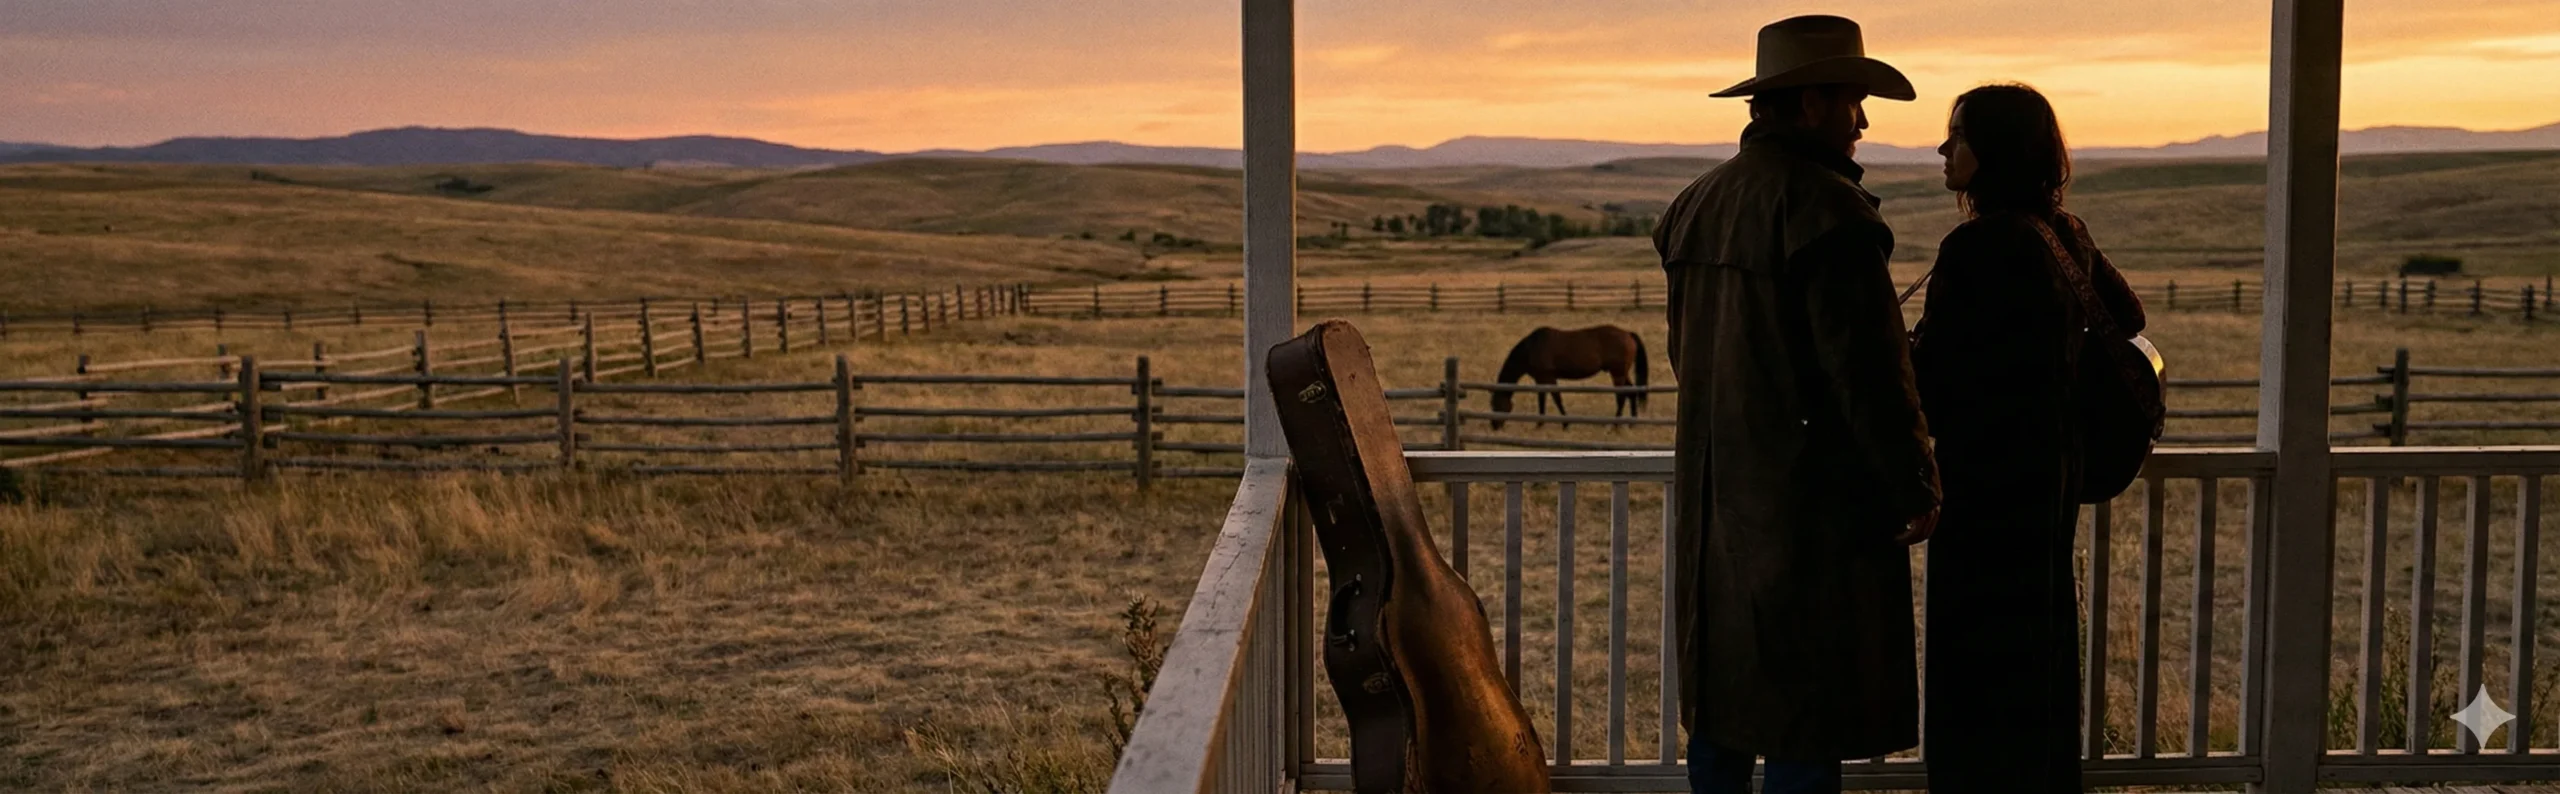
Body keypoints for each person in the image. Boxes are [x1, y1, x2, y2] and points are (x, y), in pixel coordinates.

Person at [1653, 15, 1940, 794]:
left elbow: (1689, 353)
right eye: (1853, 103)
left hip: (1719, 492)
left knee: (1724, 697)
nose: (1864, 122)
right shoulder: (1830, 215)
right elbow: (1870, 374)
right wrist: (1913, 481)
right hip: (1812, 503)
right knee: (1807, 708)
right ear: (1811, 103)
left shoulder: (1696, 203)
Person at [1909, 83, 2145, 793]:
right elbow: (2127, 316)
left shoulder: (1978, 245)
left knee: (1975, 666)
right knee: (2040, 651)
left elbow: (1932, 377)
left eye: (1958, 135)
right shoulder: (2062, 232)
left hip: (1983, 486)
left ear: (1994, 148)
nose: (1943, 148)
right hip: (2051, 477)